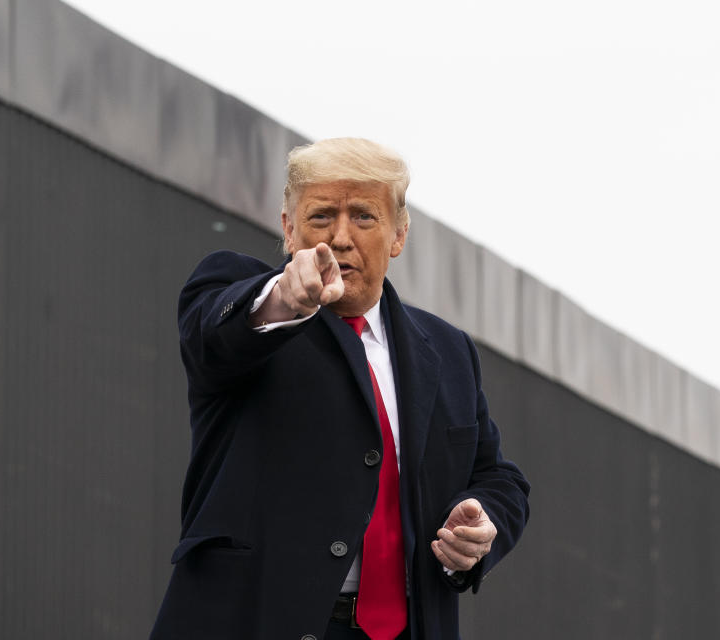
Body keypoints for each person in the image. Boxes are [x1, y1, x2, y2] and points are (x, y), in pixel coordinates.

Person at [151, 138, 529, 640]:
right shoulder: (248, 303)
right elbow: (215, 338)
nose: (341, 238)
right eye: (322, 217)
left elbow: (499, 477)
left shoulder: (448, 349)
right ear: (288, 228)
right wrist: (285, 299)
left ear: (399, 234)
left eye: (365, 218)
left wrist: (482, 528)